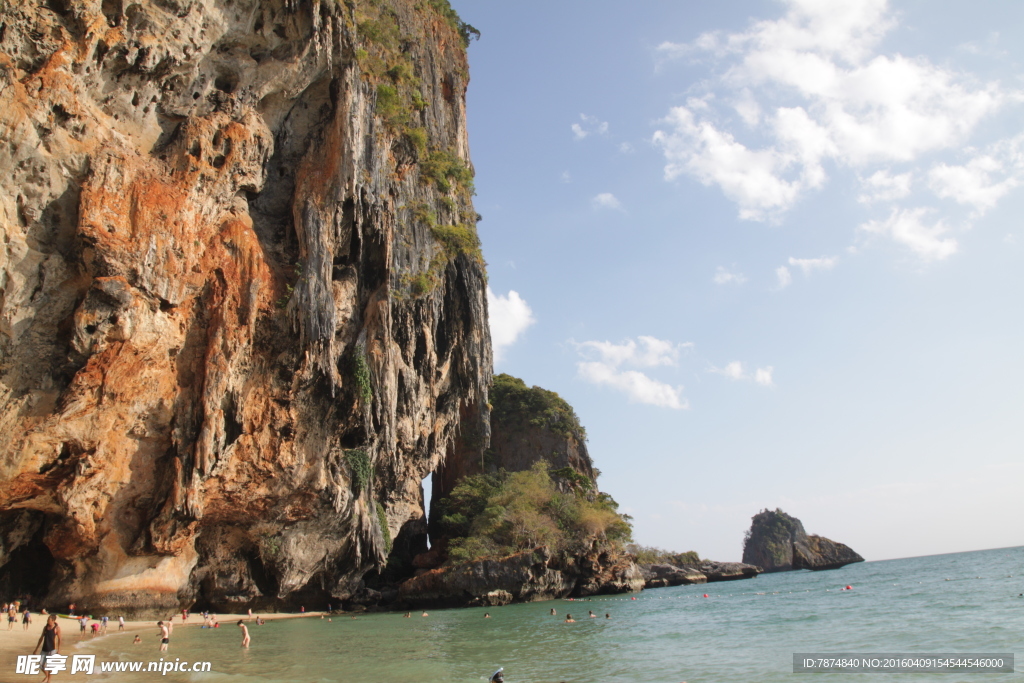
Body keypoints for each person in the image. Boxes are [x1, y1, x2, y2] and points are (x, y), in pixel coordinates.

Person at [32, 614, 61, 683]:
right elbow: (41, 638)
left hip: (52, 649)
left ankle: (49, 681)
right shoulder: (45, 627)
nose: (47, 621)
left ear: (53, 621)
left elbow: (60, 639)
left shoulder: (56, 628)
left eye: (49, 620)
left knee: (50, 666)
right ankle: (47, 676)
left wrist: (59, 649)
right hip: (44, 648)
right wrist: (36, 649)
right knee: (41, 665)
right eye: (47, 619)